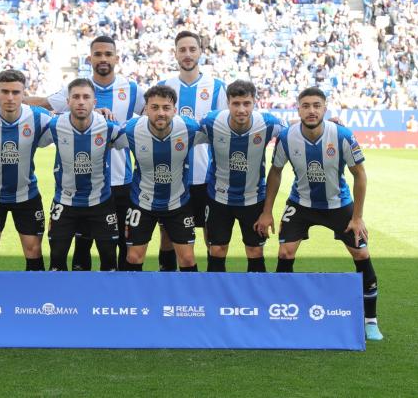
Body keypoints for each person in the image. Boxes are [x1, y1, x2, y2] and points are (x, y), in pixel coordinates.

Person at [254, 87, 383, 341]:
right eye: (306, 106)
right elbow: (276, 172)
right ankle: (282, 312)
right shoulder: (287, 137)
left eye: (316, 105)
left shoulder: (342, 135)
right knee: (285, 252)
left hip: (338, 205)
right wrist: (267, 211)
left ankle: (370, 320)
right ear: (298, 109)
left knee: (361, 252)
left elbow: (360, 175)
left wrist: (357, 217)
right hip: (301, 204)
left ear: (325, 108)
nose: (311, 110)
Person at [26, 35, 145, 271]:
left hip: (121, 180)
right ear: (90, 58)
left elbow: (151, 116)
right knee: (82, 245)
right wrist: (7, 97)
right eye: (98, 54)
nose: (103, 59)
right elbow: (43, 103)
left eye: (108, 54)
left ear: (116, 58)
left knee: (119, 244)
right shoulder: (77, 89)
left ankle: (116, 300)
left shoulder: (132, 89)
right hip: (81, 186)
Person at [198, 80, 286, 272]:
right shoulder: (211, 122)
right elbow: (183, 128)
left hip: (253, 199)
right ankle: (215, 296)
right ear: (228, 103)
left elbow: (296, 129)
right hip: (218, 198)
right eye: (236, 103)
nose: (241, 109)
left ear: (255, 103)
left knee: (255, 251)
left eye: (247, 103)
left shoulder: (268, 124)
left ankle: (255, 299)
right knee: (217, 250)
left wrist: (329, 123)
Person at [158, 30, 227, 271]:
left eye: (192, 49)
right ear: (175, 53)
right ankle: (167, 281)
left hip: (208, 178)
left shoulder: (218, 87)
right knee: (168, 235)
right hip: (173, 177)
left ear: (200, 52)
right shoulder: (164, 86)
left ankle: (210, 284)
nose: (187, 54)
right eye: (182, 50)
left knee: (212, 237)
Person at [113, 85, 202, 272]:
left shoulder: (189, 128)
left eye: (166, 108)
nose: (160, 113)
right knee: (134, 256)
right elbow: (104, 141)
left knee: (187, 258)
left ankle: (189, 299)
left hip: (178, 202)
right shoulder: (131, 130)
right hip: (142, 202)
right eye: (154, 107)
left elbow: (221, 137)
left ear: (175, 110)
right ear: (145, 109)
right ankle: (133, 300)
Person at [0, 70, 52, 271]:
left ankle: (33, 300)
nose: (10, 97)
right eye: (4, 91)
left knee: (33, 252)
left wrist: (99, 113)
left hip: (27, 195)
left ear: (24, 94)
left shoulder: (39, 117)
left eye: (16, 92)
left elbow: (72, 122)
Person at [38, 78, 120, 271]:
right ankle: (63, 300)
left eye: (86, 97)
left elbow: (132, 141)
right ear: (68, 102)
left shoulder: (109, 127)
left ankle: (105, 300)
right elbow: (36, 139)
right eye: (76, 97)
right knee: (57, 259)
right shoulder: (55, 125)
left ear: (94, 102)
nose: (81, 101)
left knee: (109, 259)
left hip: (101, 202)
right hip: (65, 202)